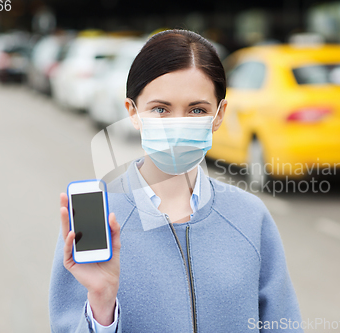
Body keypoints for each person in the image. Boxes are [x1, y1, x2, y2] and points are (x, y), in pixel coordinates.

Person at [49, 29, 303, 333]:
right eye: (160, 109)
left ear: (219, 115)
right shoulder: (96, 221)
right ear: (132, 112)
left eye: (197, 110)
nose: (177, 125)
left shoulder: (249, 217)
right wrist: (101, 306)